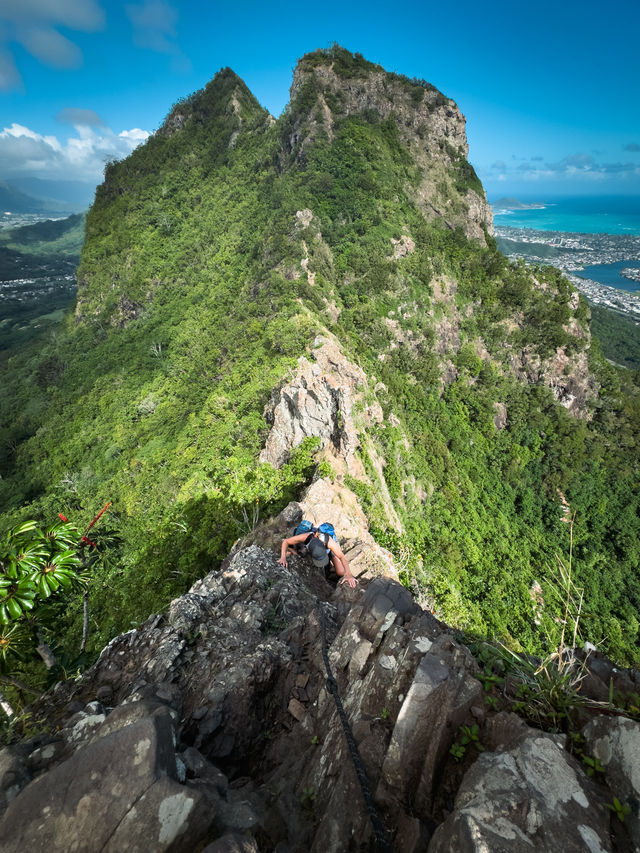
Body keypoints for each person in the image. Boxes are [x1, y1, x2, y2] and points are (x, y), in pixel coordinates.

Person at [278, 528, 358, 588]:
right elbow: (286, 541)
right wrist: (283, 557)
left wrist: (349, 574)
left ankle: (331, 558)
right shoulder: (305, 537)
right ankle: (292, 551)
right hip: (311, 546)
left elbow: (341, 556)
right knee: (299, 555)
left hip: (329, 547)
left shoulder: (329, 543)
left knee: (341, 572)